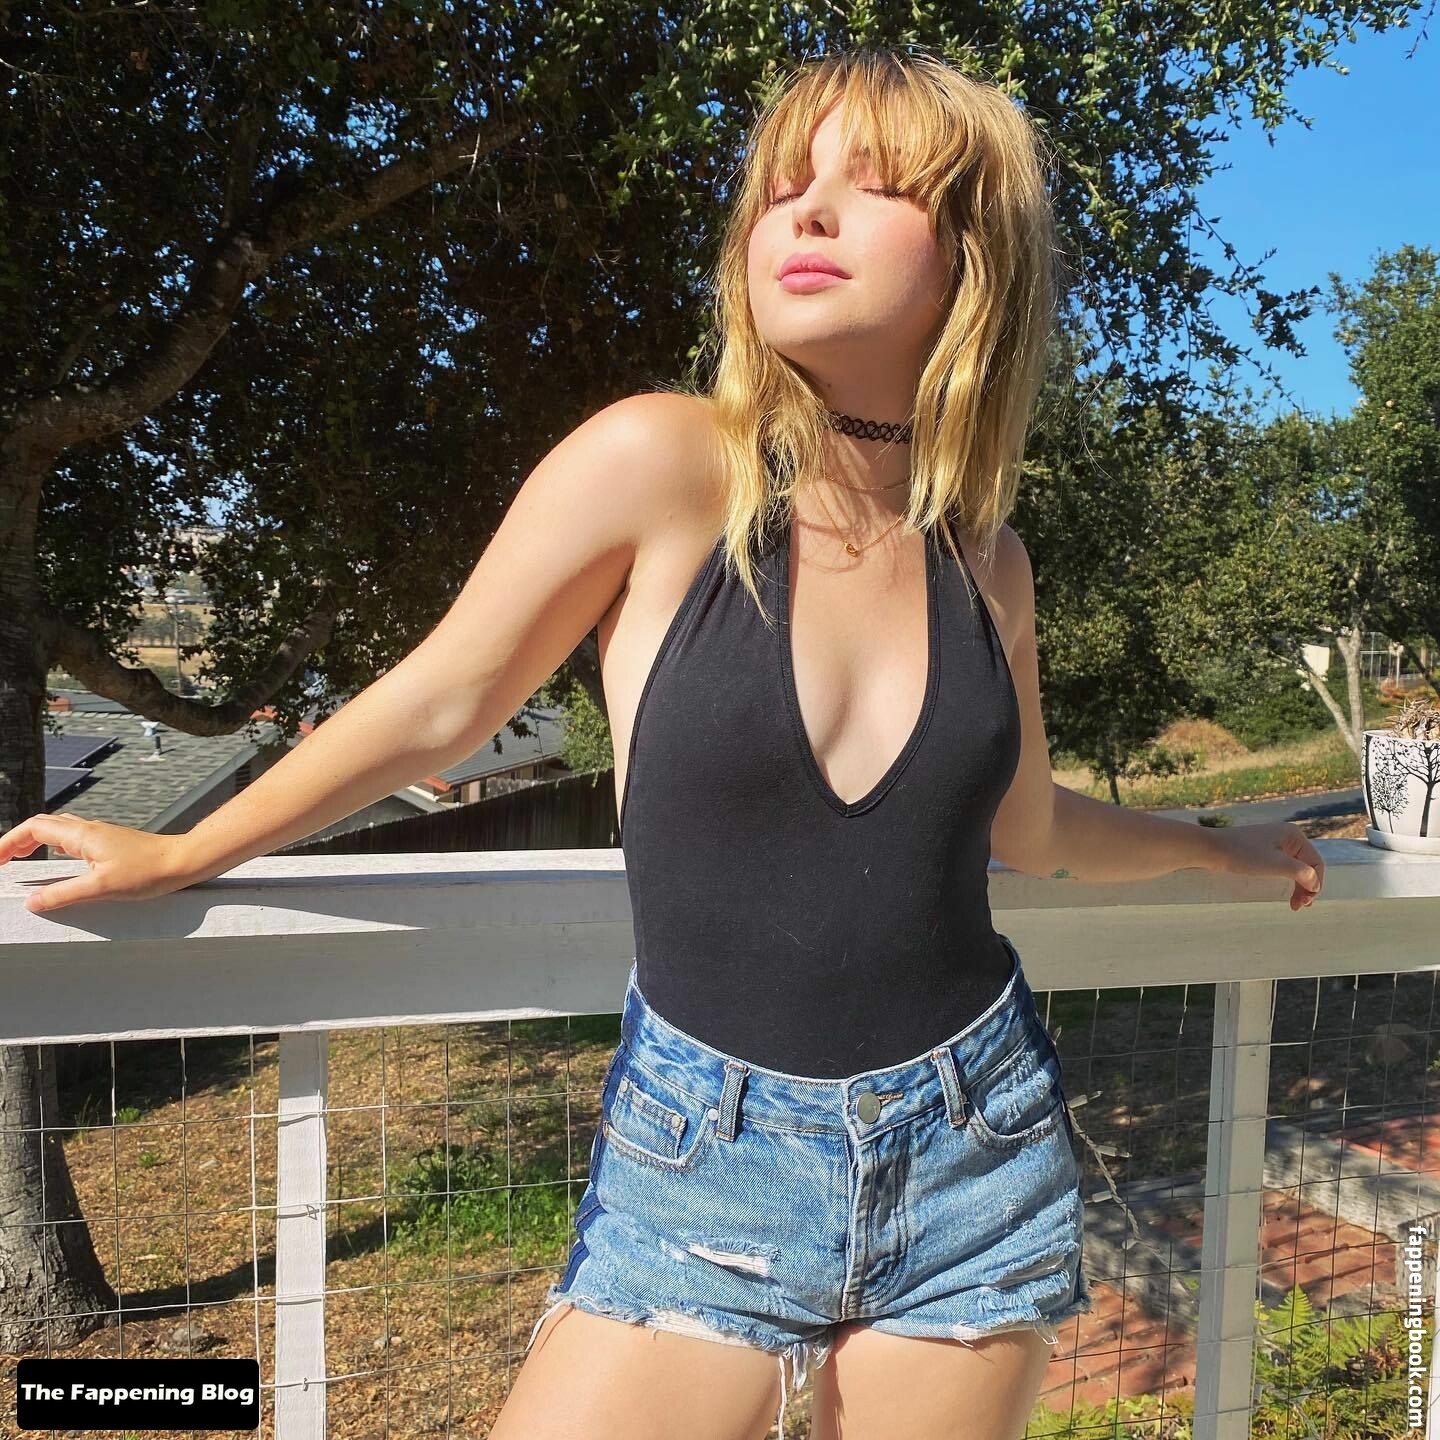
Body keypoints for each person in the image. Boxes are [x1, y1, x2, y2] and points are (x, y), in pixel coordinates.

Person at [0, 42, 1327, 1440]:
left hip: (974, 1151)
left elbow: (1035, 831)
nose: (806, 212)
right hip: (706, 1157)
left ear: (972, 260)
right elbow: (443, 704)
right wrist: (186, 851)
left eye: (873, 186)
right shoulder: (662, 462)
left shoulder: (986, 562)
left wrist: (1222, 849)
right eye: (783, 186)